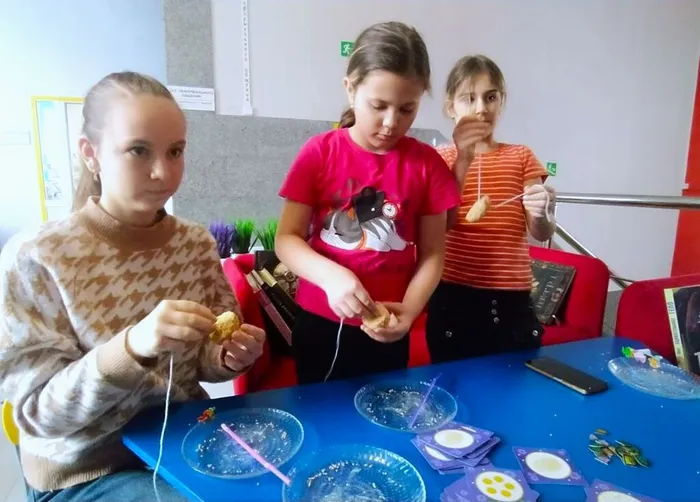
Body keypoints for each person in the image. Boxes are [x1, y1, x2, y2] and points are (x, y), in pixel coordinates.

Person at [0, 71, 266, 502]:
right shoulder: (36, 257)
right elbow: (38, 415)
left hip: (179, 439)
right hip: (87, 467)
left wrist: (229, 357)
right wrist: (131, 348)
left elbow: (204, 361)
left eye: (175, 151)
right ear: (91, 154)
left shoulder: (195, 244)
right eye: (138, 151)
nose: (163, 172)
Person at [275, 21, 461, 384]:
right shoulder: (319, 152)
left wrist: (409, 311)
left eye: (407, 109)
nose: (391, 123)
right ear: (350, 89)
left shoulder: (427, 165)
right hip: (319, 324)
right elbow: (286, 239)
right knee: (321, 412)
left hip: (389, 325)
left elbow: (432, 254)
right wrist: (331, 277)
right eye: (378, 106)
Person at [426, 54, 557, 363]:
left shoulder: (521, 156)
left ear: (501, 102)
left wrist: (542, 213)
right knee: (453, 384)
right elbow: (438, 227)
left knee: (512, 385)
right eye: (468, 98)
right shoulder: (439, 159)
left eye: (490, 97)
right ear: (450, 107)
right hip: (453, 296)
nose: (481, 108)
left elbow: (541, 232)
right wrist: (463, 159)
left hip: (512, 301)